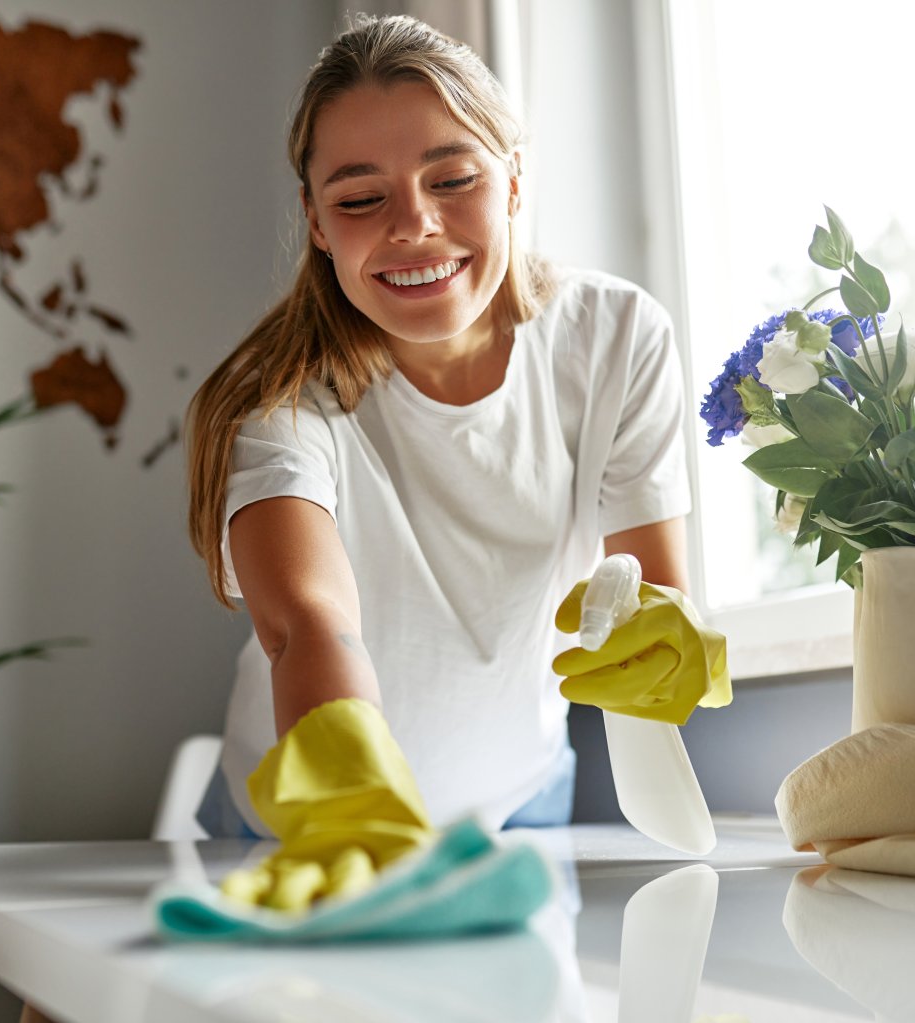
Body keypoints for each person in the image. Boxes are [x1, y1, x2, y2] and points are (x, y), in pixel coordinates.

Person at [184, 14, 728, 912]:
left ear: (514, 181)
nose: (415, 225)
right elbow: (307, 622)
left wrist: (665, 636)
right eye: (360, 200)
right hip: (298, 824)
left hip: (517, 811)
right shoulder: (275, 393)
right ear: (316, 223)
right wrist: (350, 801)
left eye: (454, 178)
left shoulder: (614, 338)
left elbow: (651, 589)